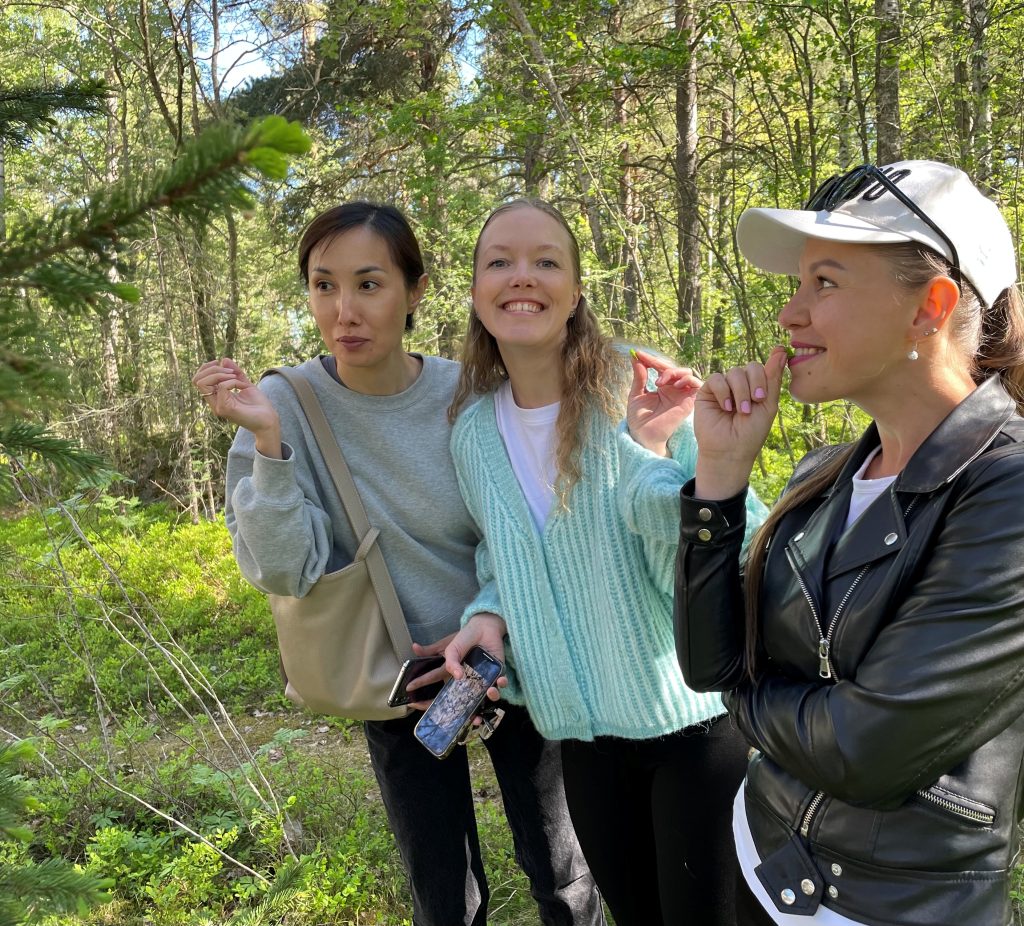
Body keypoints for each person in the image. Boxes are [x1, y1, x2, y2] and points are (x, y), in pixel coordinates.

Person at [191, 202, 604, 926]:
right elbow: (284, 571)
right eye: (323, 286)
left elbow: (529, 527)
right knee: (444, 897)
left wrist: (489, 620)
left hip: (509, 655)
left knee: (563, 874)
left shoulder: (471, 392)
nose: (344, 310)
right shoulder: (284, 403)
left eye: (369, 284)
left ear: (414, 293)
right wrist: (268, 444)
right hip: (399, 675)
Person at [673, 161, 1024, 926]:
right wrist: (720, 479)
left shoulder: (1007, 493)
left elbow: (863, 751)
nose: (789, 315)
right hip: (760, 860)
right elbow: (709, 664)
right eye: (796, 285)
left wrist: (744, 695)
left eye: (823, 284)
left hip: (886, 906)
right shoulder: (826, 473)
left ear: (929, 307)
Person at [441, 198, 768, 926]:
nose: (522, 277)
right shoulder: (472, 433)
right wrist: (487, 615)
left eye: (546, 261)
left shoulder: (640, 386)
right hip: (582, 741)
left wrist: (645, 452)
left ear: (576, 290)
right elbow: (506, 554)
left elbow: (722, 558)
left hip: (692, 731)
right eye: (500, 261)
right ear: (474, 291)